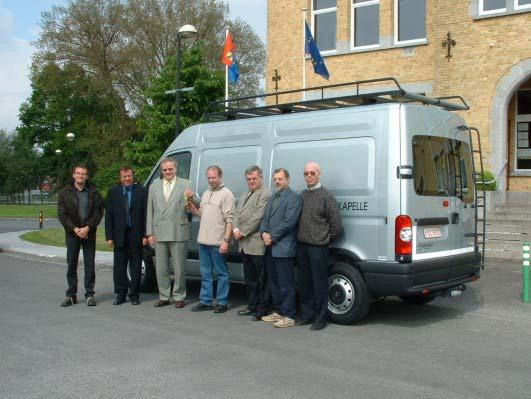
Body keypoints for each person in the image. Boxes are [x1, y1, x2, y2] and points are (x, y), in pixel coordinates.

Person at [297, 162, 343, 331]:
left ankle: (320, 318)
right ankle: (307, 315)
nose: (309, 176)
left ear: (319, 174)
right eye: (306, 173)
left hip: (318, 247)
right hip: (302, 247)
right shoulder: (302, 195)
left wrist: (324, 239)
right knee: (305, 283)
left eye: (312, 173)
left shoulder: (326, 196)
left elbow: (337, 225)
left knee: (319, 284)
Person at [187, 165, 234, 313]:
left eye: (214, 177)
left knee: (221, 273)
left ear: (220, 177)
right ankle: (206, 301)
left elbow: (229, 220)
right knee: (205, 273)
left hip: (218, 242)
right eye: (209, 177)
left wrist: (225, 241)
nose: (211, 180)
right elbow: (203, 214)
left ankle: (222, 302)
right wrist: (193, 210)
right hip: (203, 241)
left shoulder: (227, 194)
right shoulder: (206, 193)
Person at [259, 168, 301, 328]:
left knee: (286, 283)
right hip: (270, 247)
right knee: (274, 282)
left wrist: (271, 236)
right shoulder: (273, 196)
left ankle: (289, 315)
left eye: (280, 179)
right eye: (275, 179)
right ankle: (278, 311)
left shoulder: (293, 198)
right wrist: (263, 232)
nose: (277, 182)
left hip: (283, 247)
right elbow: (265, 218)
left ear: (288, 180)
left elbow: (289, 222)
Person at [146, 158, 191, 308]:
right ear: (161, 171)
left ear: (176, 169)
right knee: (161, 267)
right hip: (159, 230)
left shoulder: (185, 184)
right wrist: (149, 233)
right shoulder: (154, 186)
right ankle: (164, 296)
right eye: (165, 170)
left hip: (178, 229)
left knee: (179, 267)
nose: (168, 172)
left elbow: (193, 204)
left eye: (170, 169)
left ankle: (179, 296)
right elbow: (149, 211)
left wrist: (191, 198)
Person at [58, 164, 104, 307]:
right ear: (73, 175)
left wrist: (87, 228)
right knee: (71, 264)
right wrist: (76, 229)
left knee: (89, 265)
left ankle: (89, 294)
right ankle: (71, 295)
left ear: (87, 176)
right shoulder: (65, 192)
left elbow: (98, 213)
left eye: (83, 174)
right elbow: (62, 214)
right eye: (78, 173)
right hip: (73, 234)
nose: (80, 176)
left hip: (89, 234)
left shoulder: (94, 192)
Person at [105, 166, 148, 306]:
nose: (127, 179)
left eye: (129, 176)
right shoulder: (113, 193)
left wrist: (146, 235)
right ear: (120, 178)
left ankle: (134, 295)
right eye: (124, 176)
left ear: (132, 176)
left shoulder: (142, 192)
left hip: (136, 234)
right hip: (119, 235)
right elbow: (109, 216)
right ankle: (120, 294)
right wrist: (109, 236)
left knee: (136, 266)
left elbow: (146, 215)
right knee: (119, 266)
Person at [233, 166, 271, 320]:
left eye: (254, 178)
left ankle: (263, 309)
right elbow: (236, 213)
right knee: (250, 279)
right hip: (244, 244)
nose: (251, 181)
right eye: (248, 179)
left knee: (262, 279)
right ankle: (251, 305)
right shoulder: (244, 195)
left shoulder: (265, 194)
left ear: (260, 178)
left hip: (256, 243)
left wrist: (243, 231)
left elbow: (258, 216)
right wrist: (235, 229)